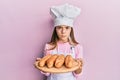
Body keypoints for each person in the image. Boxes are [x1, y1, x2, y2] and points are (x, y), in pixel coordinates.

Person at [36, 3, 84, 80]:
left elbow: (77, 74)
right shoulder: (49, 46)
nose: (63, 31)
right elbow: (47, 73)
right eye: (59, 28)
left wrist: (80, 66)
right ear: (55, 29)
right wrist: (42, 65)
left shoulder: (77, 47)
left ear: (71, 29)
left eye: (67, 28)